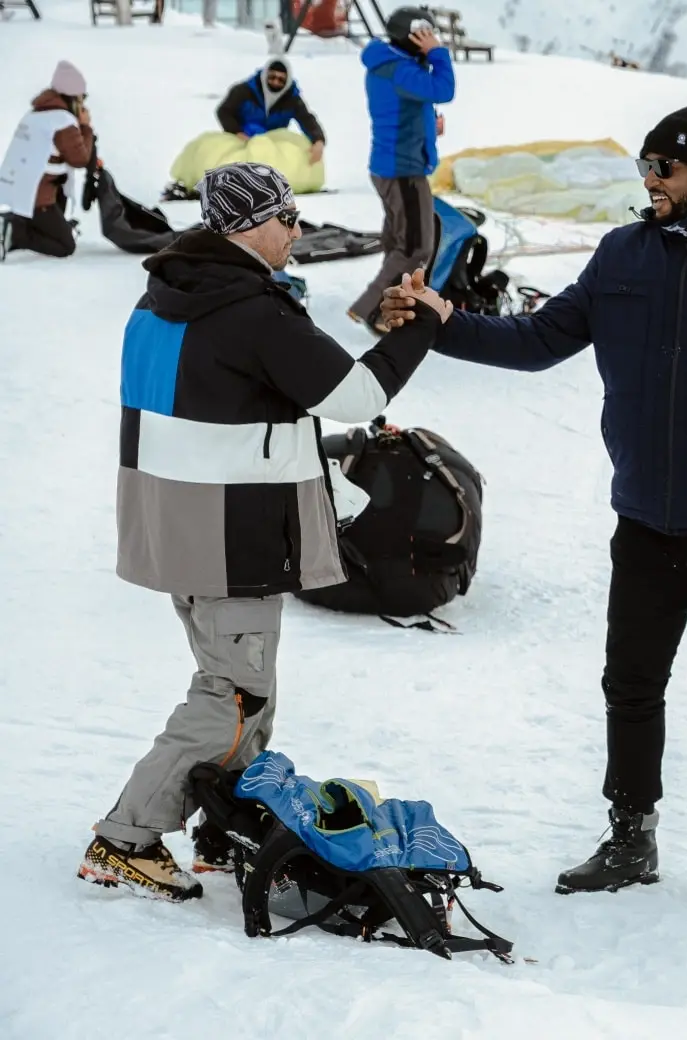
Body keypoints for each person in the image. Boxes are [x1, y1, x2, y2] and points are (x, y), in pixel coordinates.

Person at [379, 100, 687, 935]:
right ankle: (630, 839)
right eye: (643, 167)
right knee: (631, 686)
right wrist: (442, 322)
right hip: (646, 520)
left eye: (665, 168)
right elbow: (537, 342)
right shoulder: (624, 255)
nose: (650, 182)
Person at [78, 162, 443, 902]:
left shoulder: (168, 298)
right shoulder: (251, 311)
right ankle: (127, 836)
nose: (297, 231)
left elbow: (259, 381)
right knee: (235, 692)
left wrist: (378, 331)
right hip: (227, 533)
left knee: (248, 688)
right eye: (286, 218)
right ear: (248, 225)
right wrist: (426, 323)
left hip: (175, 523)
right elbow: (356, 397)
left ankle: (222, 818)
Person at [347, 5, 454, 334]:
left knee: (398, 242)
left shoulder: (391, 64)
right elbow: (443, 89)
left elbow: (406, 106)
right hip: (403, 170)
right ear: (412, 35)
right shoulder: (398, 68)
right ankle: (369, 307)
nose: (431, 40)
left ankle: (384, 308)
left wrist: (427, 126)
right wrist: (438, 53)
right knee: (415, 246)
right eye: (426, 34)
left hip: (392, 164)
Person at [0, 60, 93, 258]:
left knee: (60, 189)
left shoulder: (35, 114)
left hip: (20, 189)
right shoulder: (63, 121)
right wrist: (85, 127)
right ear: (73, 97)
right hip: (37, 196)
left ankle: (20, 222)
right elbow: (80, 159)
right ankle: (17, 235)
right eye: (82, 97)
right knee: (65, 246)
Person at [215, 58, 327, 166]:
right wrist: (237, 132)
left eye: (281, 80)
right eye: (272, 77)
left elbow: (307, 119)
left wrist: (318, 140)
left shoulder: (292, 99)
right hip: (241, 143)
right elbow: (224, 111)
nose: (275, 82)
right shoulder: (243, 91)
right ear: (265, 75)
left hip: (273, 148)